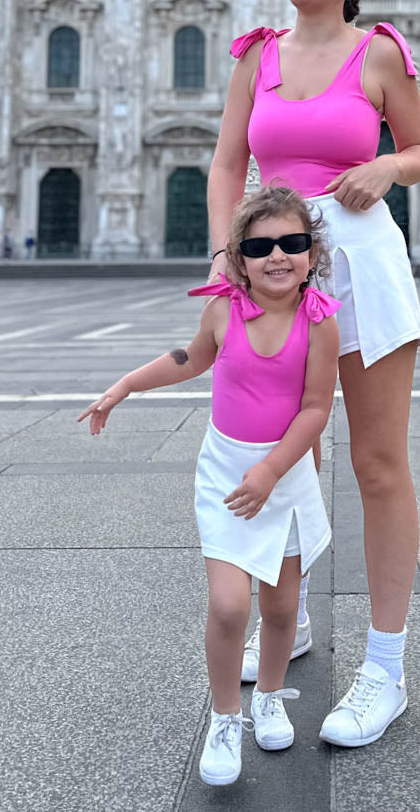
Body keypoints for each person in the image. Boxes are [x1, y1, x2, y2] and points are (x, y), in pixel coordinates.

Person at [208, 0, 420, 747]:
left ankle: (385, 669)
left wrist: (385, 165)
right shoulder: (255, 56)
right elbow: (227, 162)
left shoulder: (379, 53)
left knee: (377, 463)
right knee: (285, 455)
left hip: (361, 262)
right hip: (273, 266)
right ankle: (289, 615)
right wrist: (225, 257)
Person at [79, 185, 340, 786]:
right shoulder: (224, 311)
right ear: (239, 257)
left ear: (312, 253)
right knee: (228, 606)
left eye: (292, 243)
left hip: (285, 476)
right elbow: (191, 358)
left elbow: (315, 409)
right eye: (261, 246)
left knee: (280, 607)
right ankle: (225, 718)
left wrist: (272, 471)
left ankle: (268, 697)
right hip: (226, 476)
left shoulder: (320, 321)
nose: (278, 256)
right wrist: (124, 386)